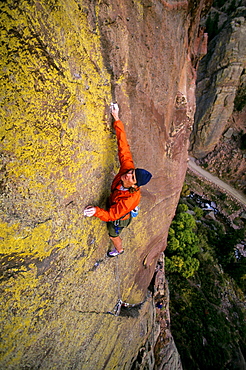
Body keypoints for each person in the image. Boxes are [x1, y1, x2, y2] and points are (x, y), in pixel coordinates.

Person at [84, 103, 152, 257]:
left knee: (113, 235)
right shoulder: (128, 169)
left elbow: (112, 215)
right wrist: (117, 118)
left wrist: (96, 211)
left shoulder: (130, 199)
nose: (127, 174)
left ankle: (119, 250)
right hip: (118, 204)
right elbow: (123, 147)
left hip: (120, 218)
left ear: (135, 184)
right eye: (131, 172)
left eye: (132, 177)